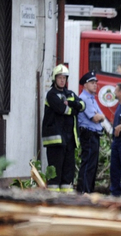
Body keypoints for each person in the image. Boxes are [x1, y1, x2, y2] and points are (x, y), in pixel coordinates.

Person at [42, 64, 85, 192]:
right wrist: (74, 110)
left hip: (69, 139)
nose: (62, 80)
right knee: (56, 171)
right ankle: (53, 198)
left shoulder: (70, 93)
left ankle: (66, 197)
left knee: (68, 170)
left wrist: (72, 104)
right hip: (55, 139)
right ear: (55, 79)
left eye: (64, 78)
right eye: (60, 77)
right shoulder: (51, 95)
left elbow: (82, 105)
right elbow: (62, 109)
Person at [76, 71, 105, 193]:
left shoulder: (92, 99)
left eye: (95, 83)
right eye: (92, 83)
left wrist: (101, 116)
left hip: (94, 135)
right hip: (88, 135)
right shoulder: (84, 99)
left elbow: (102, 116)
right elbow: (97, 118)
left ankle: (89, 191)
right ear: (85, 85)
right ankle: (84, 191)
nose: (95, 85)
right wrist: (100, 116)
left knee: (93, 165)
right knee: (88, 164)